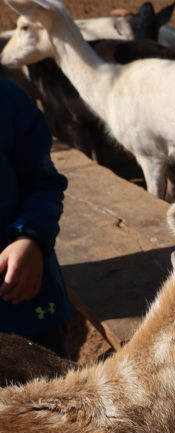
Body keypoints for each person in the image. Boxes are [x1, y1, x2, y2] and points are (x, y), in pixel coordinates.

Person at [1, 76, 72, 357]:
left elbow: (43, 182)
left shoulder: (8, 101)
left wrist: (30, 238)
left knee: (47, 393)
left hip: (25, 304)